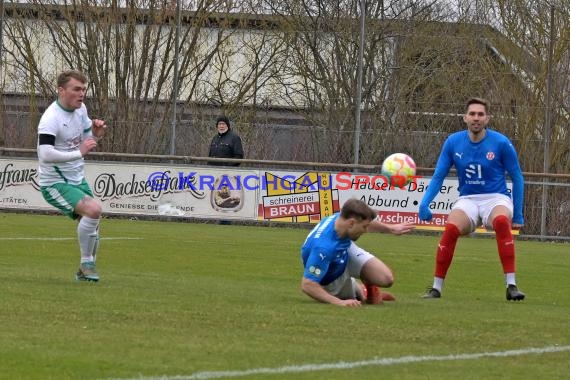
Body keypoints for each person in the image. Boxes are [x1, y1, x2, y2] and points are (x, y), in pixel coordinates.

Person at [419, 97, 525, 301]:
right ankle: (436, 288)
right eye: (473, 114)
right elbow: (439, 176)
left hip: (496, 198)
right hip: (467, 198)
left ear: (487, 119)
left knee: (502, 221)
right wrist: (425, 202)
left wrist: (518, 212)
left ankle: (511, 286)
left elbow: (517, 177)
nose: (476, 118)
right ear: (465, 118)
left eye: (481, 114)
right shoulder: (453, 142)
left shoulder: (501, 143)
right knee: (450, 229)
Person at [37, 70, 107, 282]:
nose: (82, 94)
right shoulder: (51, 118)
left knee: (94, 221)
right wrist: (79, 153)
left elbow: (85, 137)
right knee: (94, 210)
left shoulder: (81, 109)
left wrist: (95, 133)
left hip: (77, 179)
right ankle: (87, 264)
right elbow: (45, 153)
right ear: (61, 90)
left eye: (84, 89)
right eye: (77, 89)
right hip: (55, 183)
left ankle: (83, 272)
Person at [301, 198, 415, 306]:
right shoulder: (323, 249)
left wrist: (390, 228)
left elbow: (365, 221)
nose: (366, 231)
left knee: (386, 278)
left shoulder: (341, 219)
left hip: (344, 249)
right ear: (351, 224)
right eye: (364, 227)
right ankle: (362, 290)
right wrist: (339, 302)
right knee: (350, 298)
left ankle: (367, 285)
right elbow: (308, 284)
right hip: (331, 274)